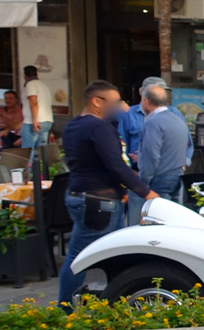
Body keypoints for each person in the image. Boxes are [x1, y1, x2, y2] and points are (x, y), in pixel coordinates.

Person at [58, 81, 158, 306]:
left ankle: (119, 298)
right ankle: (64, 308)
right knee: (80, 257)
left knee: (118, 252)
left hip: (84, 194)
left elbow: (103, 148)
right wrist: (146, 192)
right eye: (114, 102)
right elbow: (115, 163)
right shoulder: (98, 128)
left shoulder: (75, 125)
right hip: (99, 200)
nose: (120, 106)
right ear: (96, 101)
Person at [133, 80, 190, 222]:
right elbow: (186, 145)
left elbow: (152, 155)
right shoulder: (177, 120)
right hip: (177, 175)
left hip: (160, 178)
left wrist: (143, 181)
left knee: (159, 221)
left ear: (146, 101)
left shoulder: (153, 122)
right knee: (172, 221)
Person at [119, 76, 166, 167]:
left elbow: (187, 143)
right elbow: (122, 144)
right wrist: (130, 171)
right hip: (136, 170)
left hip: (165, 171)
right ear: (143, 94)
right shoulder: (128, 114)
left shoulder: (174, 114)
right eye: (155, 94)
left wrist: (184, 163)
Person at [20, 65, 53, 149]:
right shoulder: (44, 85)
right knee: (41, 151)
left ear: (25, 75)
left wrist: (34, 120)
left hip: (33, 122)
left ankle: (29, 163)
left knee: (28, 150)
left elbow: (34, 102)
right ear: (37, 74)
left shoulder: (30, 85)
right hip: (47, 121)